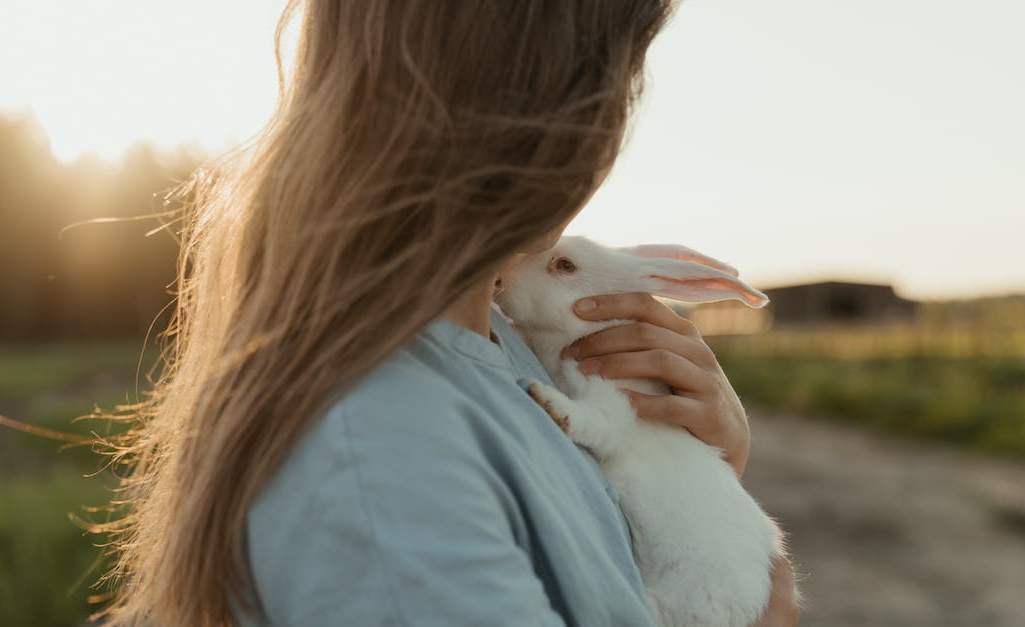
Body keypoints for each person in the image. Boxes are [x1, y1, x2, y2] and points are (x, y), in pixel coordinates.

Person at [97, 1, 799, 625]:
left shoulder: (501, 343)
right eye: (621, 76)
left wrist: (702, 472)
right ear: (555, 105)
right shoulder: (382, 458)